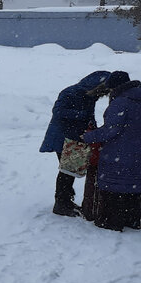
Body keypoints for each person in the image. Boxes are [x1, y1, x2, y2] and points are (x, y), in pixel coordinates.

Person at [39, 71, 111, 216]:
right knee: (67, 171)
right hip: (62, 137)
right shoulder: (71, 92)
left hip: (73, 137)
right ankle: (61, 203)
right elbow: (58, 111)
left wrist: (93, 129)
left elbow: (89, 117)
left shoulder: (90, 96)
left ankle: (66, 201)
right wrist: (81, 116)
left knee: (70, 170)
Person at [83, 71, 140, 231]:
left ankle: (112, 221)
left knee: (115, 187)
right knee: (133, 186)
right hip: (137, 154)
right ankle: (133, 220)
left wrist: (88, 136)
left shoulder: (121, 102)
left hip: (119, 153)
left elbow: (110, 130)